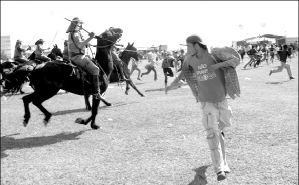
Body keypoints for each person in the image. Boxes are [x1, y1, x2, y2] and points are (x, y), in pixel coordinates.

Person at [166, 35, 240, 181]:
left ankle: (223, 162)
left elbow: (235, 61)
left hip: (222, 100)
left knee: (222, 128)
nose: (186, 50)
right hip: (206, 102)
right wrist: (172, 84)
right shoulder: (189, 59)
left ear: (197, 45)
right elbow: (184, 73)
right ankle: (219, 169)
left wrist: (216, 66)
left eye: (188, 46)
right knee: (212, 134)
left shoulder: (215, 55)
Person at [66, 17, 102, 99]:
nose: (81, 25)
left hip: (80, 55)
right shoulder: (74, 34)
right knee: (95, 69)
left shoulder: (76, 33)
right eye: (80, 24)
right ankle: (96, 92)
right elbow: (79, 45)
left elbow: (83, 45)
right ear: (76, 25)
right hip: (77, 57)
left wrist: (89, 41)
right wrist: (90, 37)